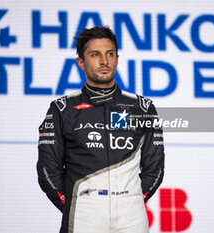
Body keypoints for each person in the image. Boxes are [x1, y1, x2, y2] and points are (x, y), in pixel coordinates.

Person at [37, 26, 165, 233]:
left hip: (131, 215)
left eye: (110, 54)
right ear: (81, 62)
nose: (104, 61)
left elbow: (155, 168)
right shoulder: (62, 109)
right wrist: (76, 205)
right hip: (83, 212)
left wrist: (130, 200)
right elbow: (48, 171)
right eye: (95, 54)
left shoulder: (143, 108)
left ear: (117, 58)